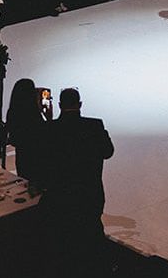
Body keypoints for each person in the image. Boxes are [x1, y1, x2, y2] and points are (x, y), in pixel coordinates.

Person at [41, 88, 115, 274]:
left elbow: (44, 159)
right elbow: (108, 152)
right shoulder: (95, 126)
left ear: (59, 105)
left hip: (61, 195)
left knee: (65, 236)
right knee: (92, 232)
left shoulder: (50, 129)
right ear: (79, 104)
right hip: (90, 193)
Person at [5, 78, 47, 182]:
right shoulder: (33, 114)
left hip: (21, 155)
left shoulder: (13, 111)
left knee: (24, 181)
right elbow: (44, 132)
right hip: (37, 156)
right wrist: (47, 116)